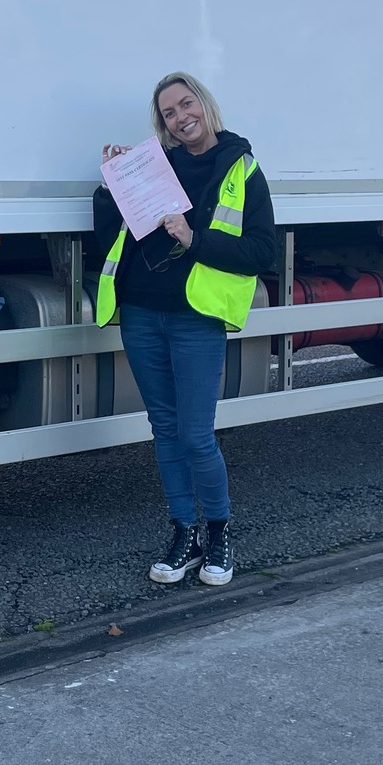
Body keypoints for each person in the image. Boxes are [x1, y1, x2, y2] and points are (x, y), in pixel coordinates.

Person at [94, 72, 276, 587]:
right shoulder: (156, 167)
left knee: (196, 436)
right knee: (166, 431)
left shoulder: (241, 167)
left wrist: (195, 240)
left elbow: (262, 252)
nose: (180, 117)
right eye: (168, 113)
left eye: (185, 103)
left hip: (196, 317)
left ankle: (218, 534)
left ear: (204, 104)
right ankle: (183, 533)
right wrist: (115, 182)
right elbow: (117, 234)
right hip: (142, 312)